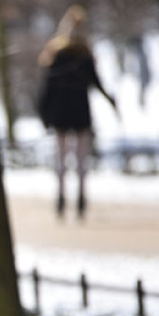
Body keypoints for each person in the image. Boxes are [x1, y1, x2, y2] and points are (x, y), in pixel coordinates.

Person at [37, 4, 116, 219]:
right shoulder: (84, 54)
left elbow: (48, 87)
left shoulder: (57, 53)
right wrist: (110, 100)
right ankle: (80, 196)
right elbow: (97, 83)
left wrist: (44, 112)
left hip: (61, 111)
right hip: (79, 110)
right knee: (80, 157)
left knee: (62, 156)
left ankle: (62, 196)